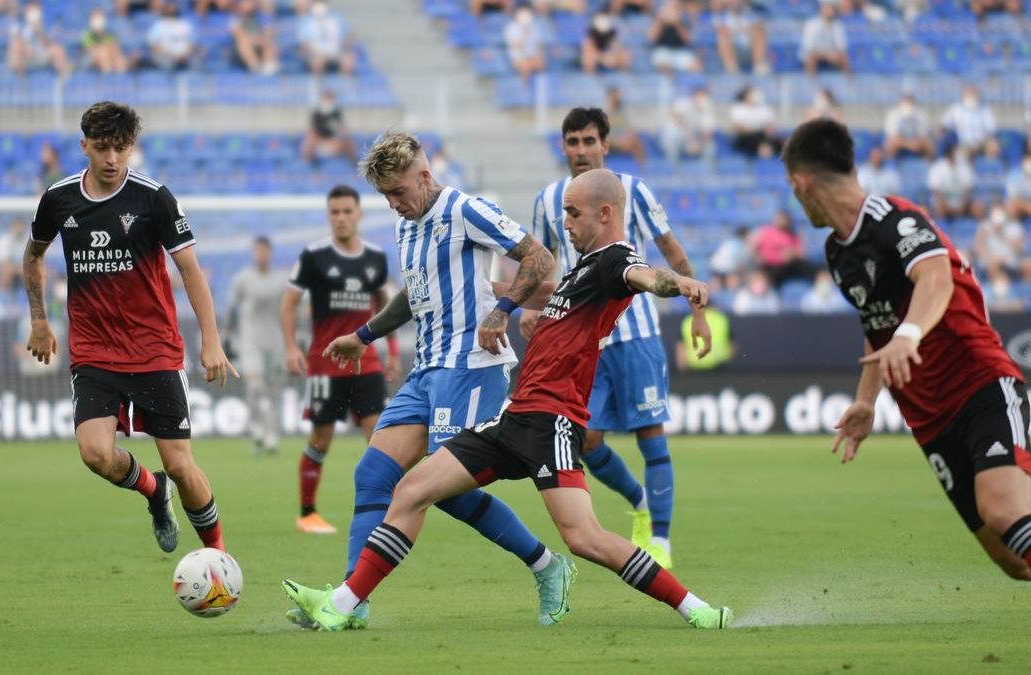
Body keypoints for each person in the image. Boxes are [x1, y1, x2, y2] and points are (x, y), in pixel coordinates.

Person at [781, 118, 1031, 675]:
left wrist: (911, 334)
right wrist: (867, 401)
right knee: (1015, 560)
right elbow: (878, 325)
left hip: (981, 382)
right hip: (928, 417)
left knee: (1005, 511)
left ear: (801, 183)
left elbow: (935, 277)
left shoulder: (894, 218)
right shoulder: (839, 254)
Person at [282, 168, 733, 632]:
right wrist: (520, 310)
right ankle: (342, 604)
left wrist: (678, 283)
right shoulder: (583, 270)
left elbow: (644, 275)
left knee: (585, 537)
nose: (566, 223)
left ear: (605, 213)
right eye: (564, 213)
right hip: (515, 417)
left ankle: (694, 607)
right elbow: (555, 307)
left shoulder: (615, 260)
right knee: (412, 491)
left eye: (574, 214)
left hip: (553, 422)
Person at [287, 132, 569, 629]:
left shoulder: (466, 209)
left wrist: (502, 310)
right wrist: (364, 334)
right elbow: (414, 298)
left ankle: (548, 565)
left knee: (442, 488)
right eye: (386, 197)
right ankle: (354, 603)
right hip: (426, 371)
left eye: (398, 193)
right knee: (372, 475)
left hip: (472, 368)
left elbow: (539, 258)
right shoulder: (406, 226)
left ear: (423, 176)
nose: (393, 205)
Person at [23, 101, 236, 555]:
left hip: (153, 348)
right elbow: (33, 255)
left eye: (121, 148)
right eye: (102, 148)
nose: (112, 159)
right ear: (84, 147)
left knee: (181, 465)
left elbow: (191, 270)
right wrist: (40, 320)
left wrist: (211, 339)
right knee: (95, 454)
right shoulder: (59, 199)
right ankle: (153, 492)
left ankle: (218, 557)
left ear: (132, 147)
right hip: (94, 351)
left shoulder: (152, 197)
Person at [527, 108, 710, 569]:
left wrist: (698, 313)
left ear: (605, 145)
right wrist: (531, 307)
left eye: (590, 141)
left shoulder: (634, 191)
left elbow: (670, 251)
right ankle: (639, 499)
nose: (582, 150)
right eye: (573, 142)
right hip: (585, 340)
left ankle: (661, 542)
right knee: (585, 440)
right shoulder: (548, 200)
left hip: (637, 334)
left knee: (650, 432)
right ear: (563, 147)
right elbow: (542, 262)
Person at [280, 185, 399, 534]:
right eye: (335, 212)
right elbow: (288, 303)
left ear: (359, 214)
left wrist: (391, 350)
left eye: (348, 211)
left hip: (366, 362)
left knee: (379, 438)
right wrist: (291, 347)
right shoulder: (314, 255)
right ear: (329, 215)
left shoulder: (375, 257)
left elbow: (385, 306)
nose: (342, 218)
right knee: (321, 437)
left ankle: (386, 514)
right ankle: (308, 513)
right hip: (324, 362)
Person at [226, 236, 288, 456]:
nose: (261, 255)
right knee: (254, 388)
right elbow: (231, 307)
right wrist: (225, 335)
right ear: (254, 253)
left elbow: (293, 309)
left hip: (276, 341)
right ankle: (259, 428)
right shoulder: (244, 278)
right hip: (250, 341)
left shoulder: (281, 280)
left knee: (274, 391)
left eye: (264, 251)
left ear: (270, 253)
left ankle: (272, 435)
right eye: (257, 251)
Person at [974, 203, 1031, 283]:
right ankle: (994, 291)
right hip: (990, 261)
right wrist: (990, 257)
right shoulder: (984, 226)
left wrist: (1001, 233)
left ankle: (1027, 291)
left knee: (1029, 264)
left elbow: (1019, 248)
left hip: (1011, 261)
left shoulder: (1015, 226)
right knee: (994, 263)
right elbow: (978, 248)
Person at [750, 209, 812, 286]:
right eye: (780, 219)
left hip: (788, 266)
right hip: (769, 266)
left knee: (806, 267)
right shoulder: (766, 232)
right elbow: (752, 246)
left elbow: (802, 254)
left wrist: (793, 254)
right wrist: (759, 257)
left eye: (784, 219)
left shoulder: (793, 235)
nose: (782, 221)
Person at [7, 2, 70, 75]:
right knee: (16, 43)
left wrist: (39, 31)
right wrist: (27, 47)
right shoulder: (19, 24)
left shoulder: (47, 22)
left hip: (42, 52)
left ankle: (64, 79)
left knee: (57, 49)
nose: (33, 14)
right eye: (30, 10)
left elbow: (51, 41)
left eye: (36, 11)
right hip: (26, 54)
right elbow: (15, 38)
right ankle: (16, 78)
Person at [660, 85, 716, 163]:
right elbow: (675, 115)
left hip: (694, 140)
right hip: (676, 137)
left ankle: (708, 171)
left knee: (710, 147)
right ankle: (674, 171)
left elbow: (707, 133)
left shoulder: (707, 110)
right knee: (672, 142)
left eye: (704, 97)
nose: (702, 99)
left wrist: (697, 144)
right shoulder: (683, 103)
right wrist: (690, 140)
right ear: (694, 95)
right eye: (700, 96)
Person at [297, 0, 356, 74]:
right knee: (317, 62)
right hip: (315, 53)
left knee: (348, 60)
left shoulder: (337, 18)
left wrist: (343, 47)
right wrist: (317, 53)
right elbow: (303, 44)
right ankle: (317, 83)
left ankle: (345, 83)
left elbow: (348, 36)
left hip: (336, 51)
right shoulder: (305, 20)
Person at [942, 85, 998, 159]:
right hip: (961, 143)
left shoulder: (985, 110)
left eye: (974, 94)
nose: (971, 96)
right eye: (969, 94)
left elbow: (992, 129)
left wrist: (981, 142)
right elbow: (944, 125)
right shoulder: (955, 109)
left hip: (981, 143)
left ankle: (991, 166)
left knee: (993, 145)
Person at [713, 0, 769, 75]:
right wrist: (744, 29)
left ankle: (758, 67)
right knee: (723, 37)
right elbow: (719, 29)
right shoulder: (722, 16)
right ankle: (731, 69)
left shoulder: (754, 13)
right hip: (733, 49)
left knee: (759, 33)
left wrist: (736, 30)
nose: (736, 2)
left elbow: (760, 26)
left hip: (750, 48)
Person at [301, 90, 358, 164]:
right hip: (319, 140)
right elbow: (313, 131)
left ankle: (354, 165)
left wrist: (337, 138)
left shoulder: (337, 113)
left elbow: (342, 130)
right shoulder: (316, 113)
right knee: (310, 140)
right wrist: (324, 140)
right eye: (327, 99)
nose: (328, 102)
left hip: (334, 140)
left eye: (330, 99)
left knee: (348, 143)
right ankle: (308, 166)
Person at [927, 144, 979, 220]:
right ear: (950, 152)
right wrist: (947, 206)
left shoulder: (965, 166)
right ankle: (941, 227)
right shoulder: (937, 167)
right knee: (939, 207)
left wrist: (962, 205)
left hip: (961, 203)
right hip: (943, 202)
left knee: (977, 207)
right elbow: (936, 191)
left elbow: (968, 189)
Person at [648, 0, 699, 74]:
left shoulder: (684, 17)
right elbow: (652, 38)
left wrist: (677, 23)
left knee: (696, 66)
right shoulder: (658, 17)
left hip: (681, 50)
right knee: (664, 64)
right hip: (663, 49)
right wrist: (660, 20)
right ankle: (668, 84)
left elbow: (687, 40)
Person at [729, 85, 780, 158]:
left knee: (779, 140)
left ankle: (766, 150)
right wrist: (755, 131)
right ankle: (763, 150)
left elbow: (771, 127)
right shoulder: (738, 109)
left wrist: (766, 131)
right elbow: (738, 129)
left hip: (762, 136)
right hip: (746, 137)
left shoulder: (764, 109)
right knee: (752, 138)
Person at [230, 0, 279, 75]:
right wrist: (254, 39)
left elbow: (269, 33)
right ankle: (256, 69)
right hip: (240, 50)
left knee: (270, 43)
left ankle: (269, 69)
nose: (249, 5)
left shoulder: (263, 16)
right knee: (243, 43)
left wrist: (258, 39)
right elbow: (237, 34)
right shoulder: (236, 18)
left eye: (251, 2)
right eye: (246, 2)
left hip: (261, 44)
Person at [799, 0, 848, 75]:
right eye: (827, 8)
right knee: (811, 57)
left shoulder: (838, 25)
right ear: (822, 9)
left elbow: (841, 47)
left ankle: (848, 82)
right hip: (814, 54)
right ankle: (811, 83)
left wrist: (834, 55)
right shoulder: (812, 24)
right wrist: (826, 55)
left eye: (832, 8)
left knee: (844, 56)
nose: (830, 11)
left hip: (831, 54)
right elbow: (809, 48)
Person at [676, 305, 732, 371]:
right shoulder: (721, 319)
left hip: (694, 365)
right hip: (718, 365)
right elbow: (731, 344)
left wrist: (682, 366)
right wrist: (727, 359)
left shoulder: (688, 320)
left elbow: (681, 346)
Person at [146, 2, 196, 71]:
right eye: (169, 7)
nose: (171, 9)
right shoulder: (158, 25)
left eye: (173, 6)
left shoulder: (185, 24)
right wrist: (171, 55)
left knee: (195, 61)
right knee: (165, 63)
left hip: (184, 57)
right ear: (165, 9)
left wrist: (184, 55)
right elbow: (154, 46)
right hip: (166, 57)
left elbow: (192, 44)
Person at [883, 92, 933, 159]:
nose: (908, 102)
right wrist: (908, 144)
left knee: (929, 145)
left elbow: (923, 137)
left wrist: (915, 144)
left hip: (917, 145)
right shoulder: (893, 115)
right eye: (906, 99)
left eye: (909, 99)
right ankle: (891, 165)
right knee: (889, 144)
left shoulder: (921, 115)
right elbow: (893, 137)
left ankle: (929, 165)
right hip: (900, 146)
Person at [82, 7, 130, 74]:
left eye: (100, 18)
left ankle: (120, 78)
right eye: (95, 18)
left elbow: (116, 48)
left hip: (111, 58)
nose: (98, 21)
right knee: (103, 53)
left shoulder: (110, 34)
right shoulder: (86, 35)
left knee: (118, 58)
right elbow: (90, 50)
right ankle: (106, 77)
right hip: (90, 61)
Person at [503, 6, 546, 82]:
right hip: (517, 58)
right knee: (526, 66)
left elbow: (539, 45)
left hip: (532, 56)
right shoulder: (511, 28)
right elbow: (516, 45)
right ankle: (525, 90)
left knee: (542, 64)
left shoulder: (535, 27)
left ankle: (541, 89)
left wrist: (539, 57)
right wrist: (525, 33)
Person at [0, 218, 27, 291]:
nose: (19, 229)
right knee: (6, 270)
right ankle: (2, 293)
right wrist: (19, 269)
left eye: (21, 226)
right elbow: (3, 263)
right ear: (12, 226)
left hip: (22, 270)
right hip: (12, 269)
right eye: (17, 226)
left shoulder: (26, 240)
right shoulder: (4, 240)